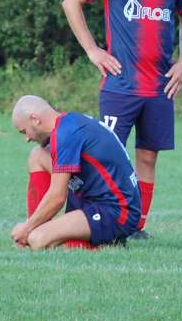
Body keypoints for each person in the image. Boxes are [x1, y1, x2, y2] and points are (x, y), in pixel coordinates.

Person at [62, 0, 182, 239]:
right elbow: (71, 2)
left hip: (159, 88)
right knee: (104, 155)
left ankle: (137, 225)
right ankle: (77, 220)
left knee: (148, 158)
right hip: (120, 86)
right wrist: (93, 50)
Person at [10, 95, 141, 250]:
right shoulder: (68, 123)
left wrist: (27, 228)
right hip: (95, 201)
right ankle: (46, 230)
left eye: (24, 131)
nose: (26, 138)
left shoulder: (65, 134)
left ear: (35, 119)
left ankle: (102, 241)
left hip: (116, 212)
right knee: (37, 156)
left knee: (38, 239)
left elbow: (57, 197)